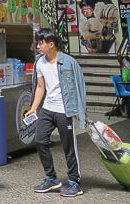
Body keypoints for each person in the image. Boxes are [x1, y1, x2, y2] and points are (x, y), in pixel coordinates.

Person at [25, 29, 87, 198]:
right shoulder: (39, 62)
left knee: (68, 146)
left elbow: (80, 87)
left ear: (51, 44)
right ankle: (51, 178)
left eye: (40, 42)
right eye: (37, 42)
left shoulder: (69, 62)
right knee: (40, 140)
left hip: (64, 110)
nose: (37, 45)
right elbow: (40, 86)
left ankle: (74, 182)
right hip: (48, 108)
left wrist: (83, 111)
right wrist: (34, 107)